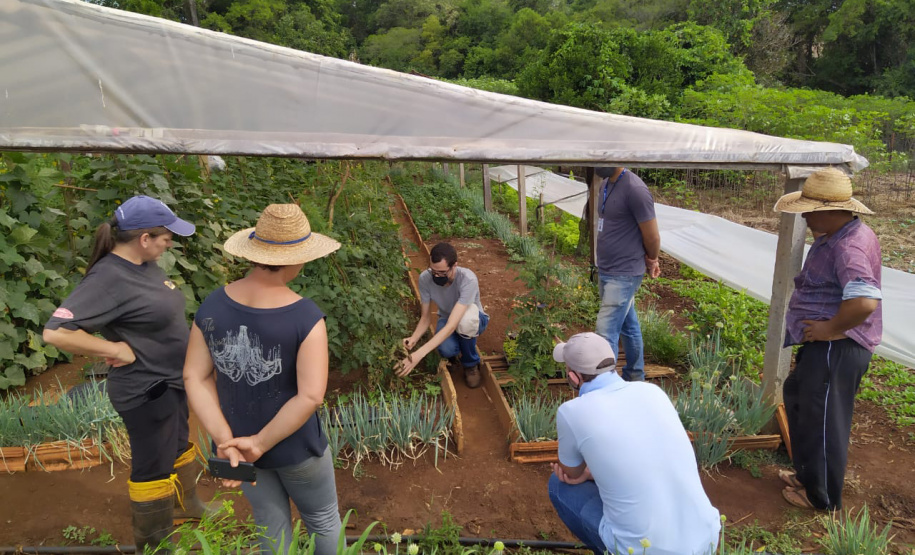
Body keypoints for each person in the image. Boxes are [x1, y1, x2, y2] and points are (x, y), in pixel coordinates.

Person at [42, 195, 207, 553]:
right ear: (144, 238)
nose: (171, 243)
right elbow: (55, 331)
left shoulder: (145, 264)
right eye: (166, 237)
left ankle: (185, 505)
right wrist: (114, 349)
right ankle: (155, 544)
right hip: (146, 389)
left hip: (171, 380)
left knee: (178, 443)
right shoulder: (108, 278)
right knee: (153, 465)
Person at [183, 203, 344, 554]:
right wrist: (259, 443)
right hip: (296, 447)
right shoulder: (306, 317)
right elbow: (310, 396)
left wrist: (228, 442)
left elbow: (194, 377)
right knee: (324, 520)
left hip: (239, 448)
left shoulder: (211, 305)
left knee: (270, 525)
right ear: (296, 259)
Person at [548, 332, 721, 555]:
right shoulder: (652, 391)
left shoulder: (572, 412)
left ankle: (612, 548)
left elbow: (570, 473)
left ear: (574, 378)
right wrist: (594, 473)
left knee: (558, 485)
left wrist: (584, 472)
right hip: (706, 539)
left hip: (646, 550)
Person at [774, 168, 882, 511]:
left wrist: (831, 328)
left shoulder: (849, 247)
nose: (805, 215)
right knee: (800, 401)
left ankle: (822, 497)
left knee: (824, 422)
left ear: (830, 209)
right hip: (827, 344)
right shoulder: (838, 235)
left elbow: (865, 301)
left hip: (838, 346)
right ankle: (807, 475)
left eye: (809, 209)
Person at [593, 166, 661, 382]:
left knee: (605, 332)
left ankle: (606, 387)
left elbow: (652, 236)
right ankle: (635, 376)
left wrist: (652, 259)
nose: (597, 163)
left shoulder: (635, 189)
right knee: (628, 327)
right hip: (607, 268)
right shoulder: (605, 184)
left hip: (624, 272)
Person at [396, 242, 489, 388]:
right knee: (445, 349)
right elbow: (425, 317)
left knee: (465, 323)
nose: (436, 276)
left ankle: (471, 364)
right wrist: (413, 339)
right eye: (433, 271)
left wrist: (419, 355)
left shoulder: (467, 280)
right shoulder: (425, 279)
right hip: (447, 317)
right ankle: (455, 352)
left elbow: (453, 324)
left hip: (473, 319)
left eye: (442, 273)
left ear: (454, 266)